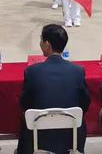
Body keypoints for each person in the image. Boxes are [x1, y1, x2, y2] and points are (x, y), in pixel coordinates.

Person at [17, 24, 90, 154]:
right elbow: (85, 103)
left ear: (47, 44)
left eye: (41, 40)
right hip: (69, 138)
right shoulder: (77, 71)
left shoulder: (32, 71)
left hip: (39, 138)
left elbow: (25, 104)